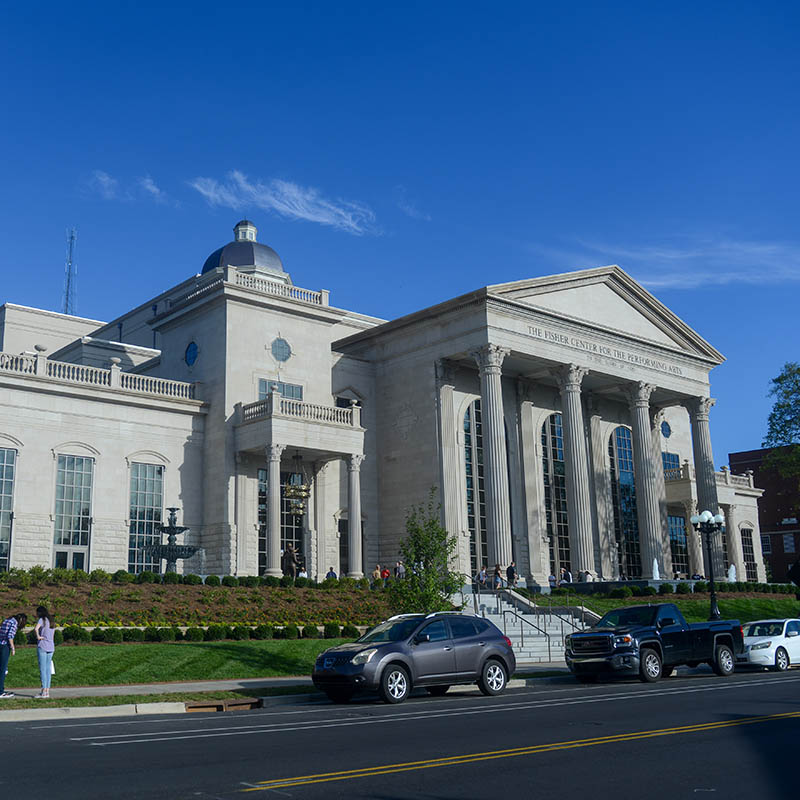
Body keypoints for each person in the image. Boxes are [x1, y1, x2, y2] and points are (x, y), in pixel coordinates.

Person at [0, 612, 27, 699]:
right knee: (2, 669)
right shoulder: (14, 623)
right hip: (5, 647)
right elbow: (10, 636)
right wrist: (13, 648)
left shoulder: (7, 621)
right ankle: (0, 691)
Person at [34, 605, 55, 699]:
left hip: (42, 645)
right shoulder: (51, 620)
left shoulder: (42, 620)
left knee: (42, 669)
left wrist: (38, 636)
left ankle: (43, 691)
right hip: (51, 646)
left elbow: (36, 628)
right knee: (48, 670)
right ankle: (47, 690)